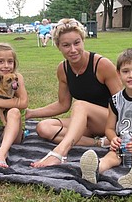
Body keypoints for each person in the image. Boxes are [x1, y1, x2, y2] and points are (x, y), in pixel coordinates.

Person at [25, 18, 122, 167]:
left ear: (83, 41)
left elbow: (122, 103)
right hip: (86, 123)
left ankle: (59, 153)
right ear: (58, 46)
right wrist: (31, 113)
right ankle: (99, 143)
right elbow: (63, 105)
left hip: (110, 121)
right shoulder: (63, 69)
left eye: (77, 43)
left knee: (81, 105)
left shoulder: (101, 64)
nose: (73, 50)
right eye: (66, 45)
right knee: (43, 127)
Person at [79, 48, 132, 188]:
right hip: (122, 145)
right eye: (126, 71)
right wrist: (113, 139)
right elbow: (109, 128)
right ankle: (94, 171)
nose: (131, 75)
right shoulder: (114, 101)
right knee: (111, 157)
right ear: (118, 74)